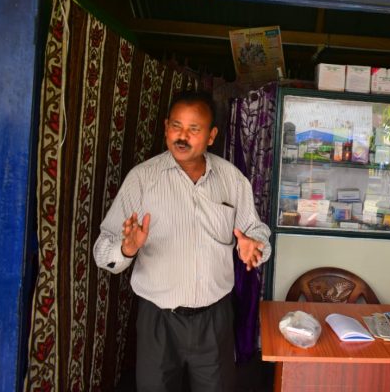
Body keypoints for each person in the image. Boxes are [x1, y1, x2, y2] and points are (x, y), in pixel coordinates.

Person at [93, 90, 271, 392]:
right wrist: (127, 248)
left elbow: (257, 231)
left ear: (211, 136)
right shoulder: (142, 179)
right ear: (166, 128)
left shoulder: (231, 180)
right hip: (157, 321)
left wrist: (255, 245)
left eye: (194, 129)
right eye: (176, 126)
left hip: (214, 320)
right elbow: (102, 250)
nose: (182, 136)